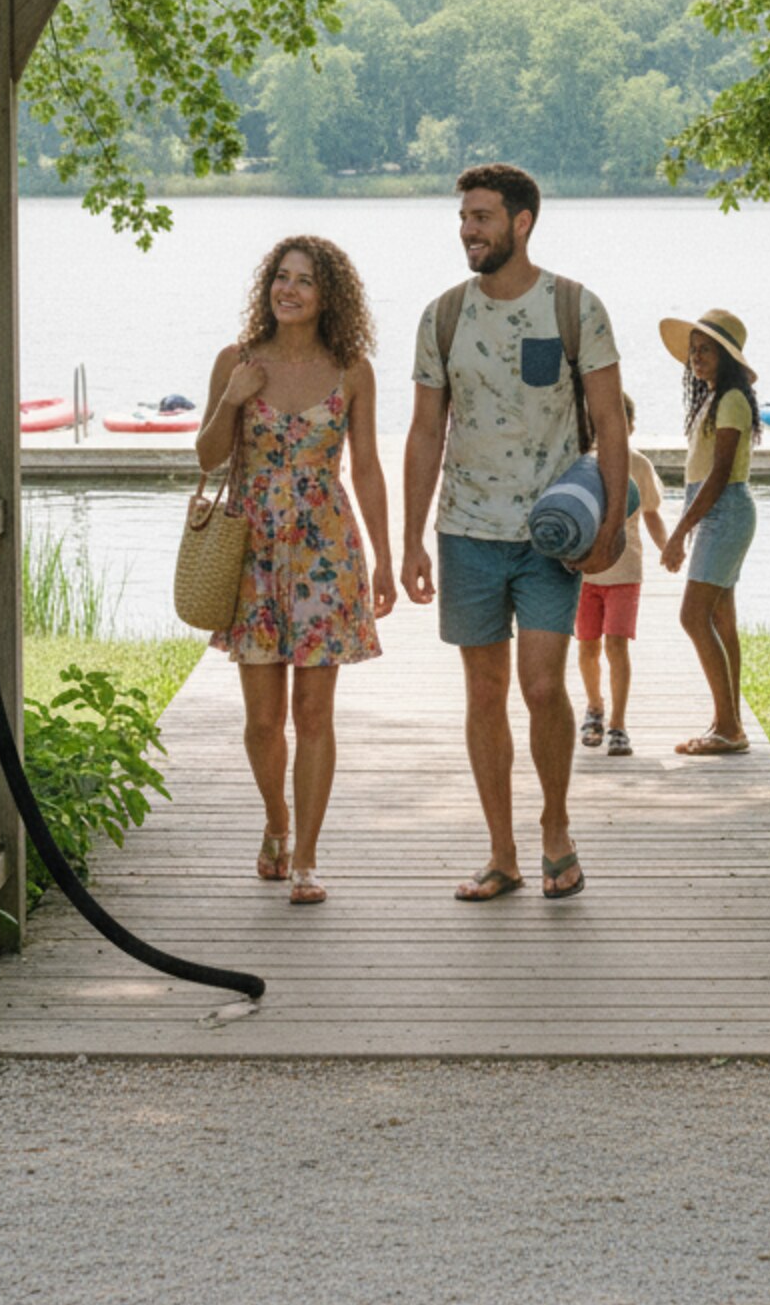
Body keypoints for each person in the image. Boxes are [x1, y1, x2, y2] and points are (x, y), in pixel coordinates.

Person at [403, 164, 628, 901]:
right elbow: (426, 430)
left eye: (482, 218)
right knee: (484, 693)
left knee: (541, 685)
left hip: (550, 534)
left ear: (521, 222)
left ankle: (555, 827)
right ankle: (501, 854)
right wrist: (410, 540)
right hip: (466, 530)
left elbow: (611, 422)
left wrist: (615, 524)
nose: (469, 230)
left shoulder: (575, 307)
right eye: (464, 218)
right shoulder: (442, 316)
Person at [196, 236, 393, 906]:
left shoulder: (352, 369)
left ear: (327, 295)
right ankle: (275, 822)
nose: (289, 290)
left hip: (325, 550)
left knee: (314, 713)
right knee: (261, 720)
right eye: (281, 278)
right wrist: (231, 398)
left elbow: (365, 467)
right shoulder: (237, 360)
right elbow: (206, 457)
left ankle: (306, 857)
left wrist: (388, 557)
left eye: (305, 281)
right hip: (251, 551)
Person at [658, 309, 760, 754]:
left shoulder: (733, 399)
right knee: (721, 620)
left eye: (706, 351)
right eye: (693, 351)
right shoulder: (714, 398)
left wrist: (680, 531)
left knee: (692, 616)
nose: (696, 358)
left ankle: (730, 729)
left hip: (725, 510)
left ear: (727, 357)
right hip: (717, 510)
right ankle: (727, 722)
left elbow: (719, 475)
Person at [575, 393, 668, 758]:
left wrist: (668, 548)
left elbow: (651, 512)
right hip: (584, 573)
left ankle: (618, 723)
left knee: (616, 647)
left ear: (630, 425)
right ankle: (594, 708)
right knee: (587, 647)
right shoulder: (581, 464)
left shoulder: (639, 465)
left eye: (618, 420)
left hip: (626, 570)